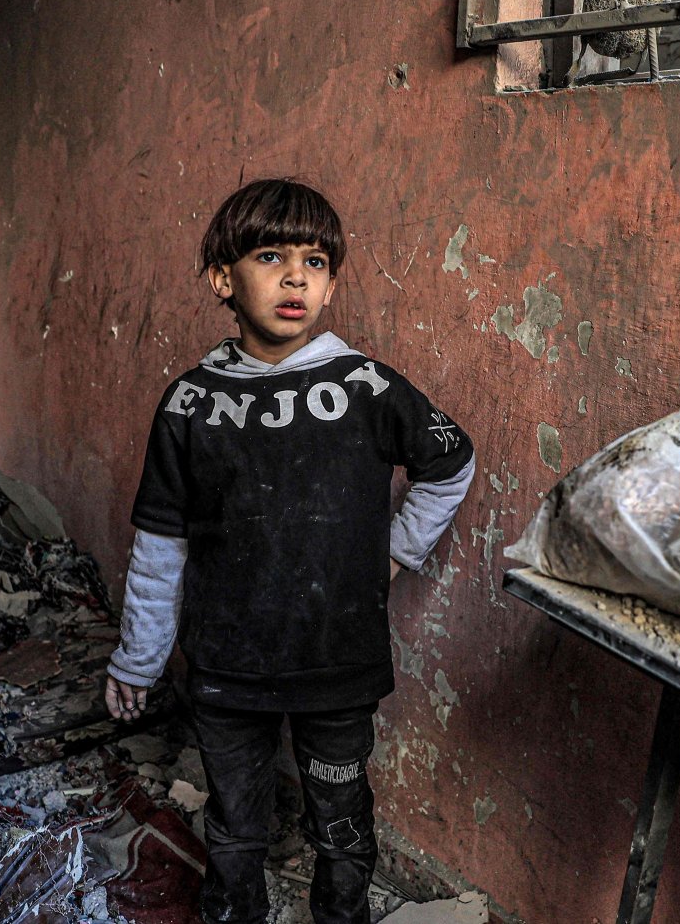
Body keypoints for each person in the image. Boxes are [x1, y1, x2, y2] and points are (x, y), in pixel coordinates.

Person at [103, 179, 475, 924]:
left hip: (337, 661)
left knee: (341, 824)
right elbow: (160, 544)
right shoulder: (189, 403)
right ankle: (233, 910)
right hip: (226, 668)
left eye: (315, 260)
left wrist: (395, 553)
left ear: (332, 281)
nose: (296, 276)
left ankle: (342, 915)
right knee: (235, 826)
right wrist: (137, 661)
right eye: (271, 256)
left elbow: (451, 460)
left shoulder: (367, 386)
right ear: (223, 279)